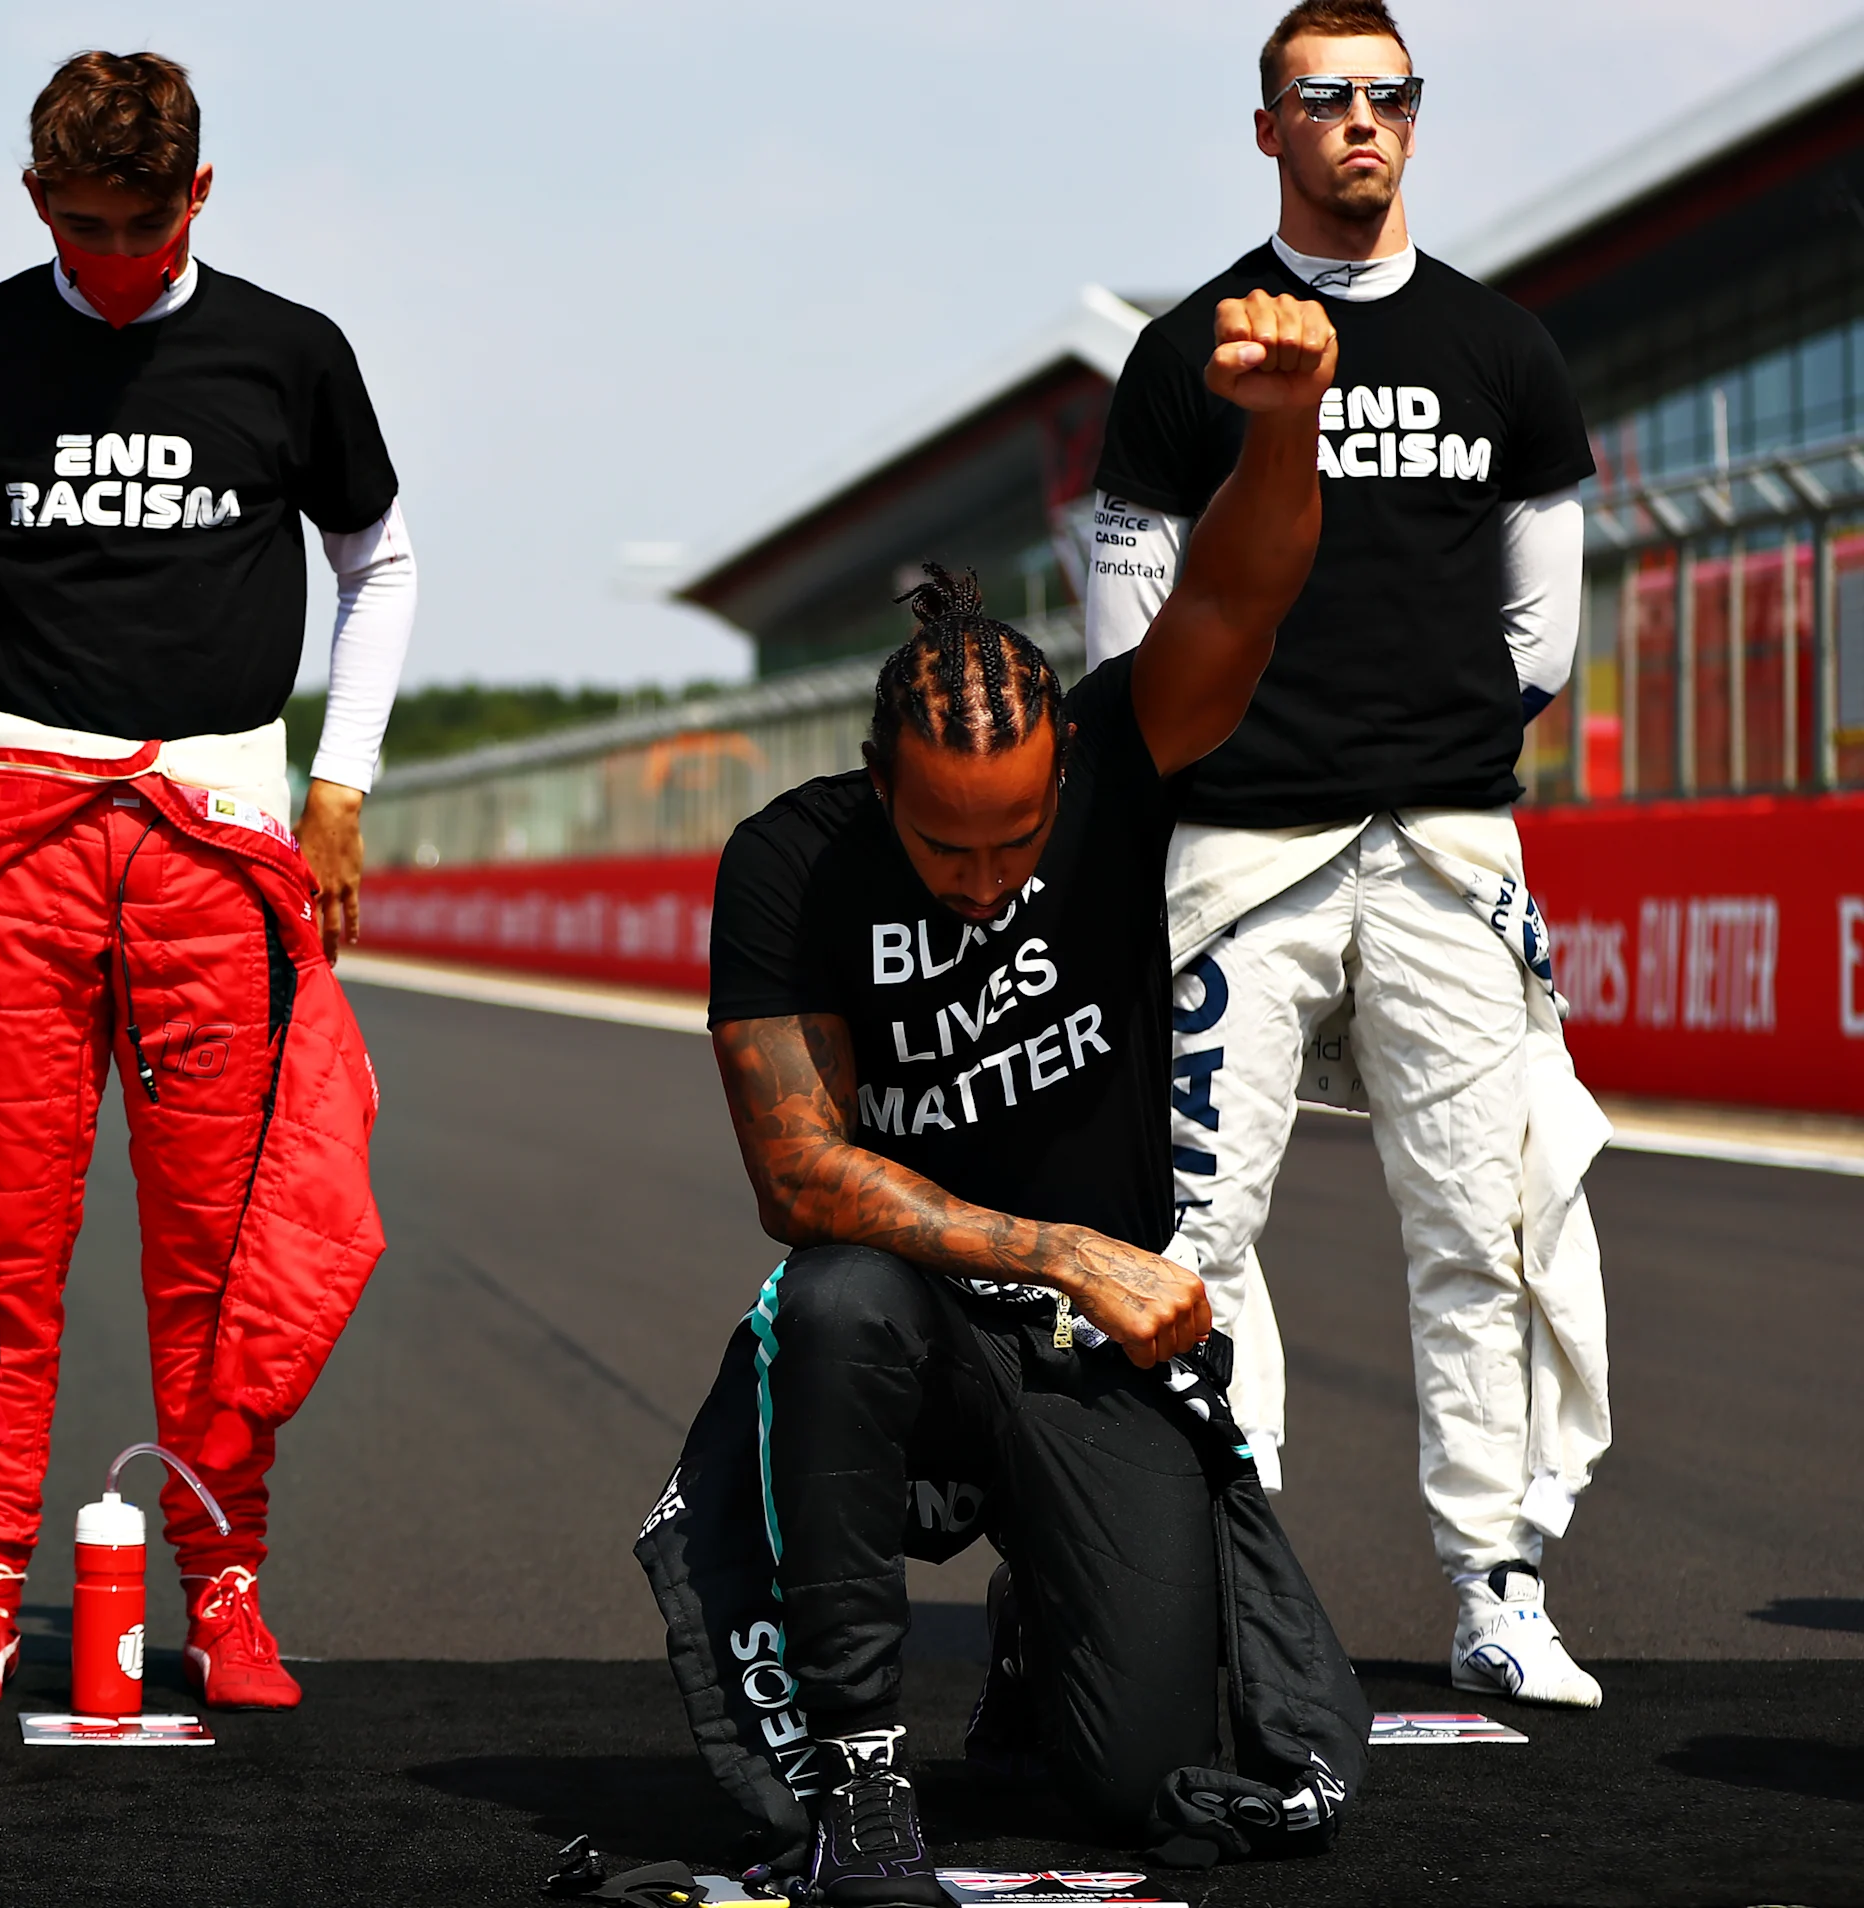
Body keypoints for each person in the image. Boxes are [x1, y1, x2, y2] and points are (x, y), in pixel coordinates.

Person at [637, 293, 1366, 1902]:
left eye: (1019, 841)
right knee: (826, 1298)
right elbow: (799, 1173)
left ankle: (1051, 1624)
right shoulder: (790, 862)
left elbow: (1243, 592)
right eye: (946, 844)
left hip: (1077, 1357)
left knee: (1131, 1782)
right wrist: (1056, 1245)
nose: (985, 883)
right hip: (913, 1325)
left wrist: (1286, 419)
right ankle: (860, 1774)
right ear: (877, 780)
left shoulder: (1114, 766)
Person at [0, 49, 416, 1711]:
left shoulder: (291, 353)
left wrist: (343, 785)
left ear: (198, 199)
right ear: (32, 201)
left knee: (232, 1250)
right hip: (17, 830)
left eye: (139, 225)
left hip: (225, 837)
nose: (108, 256)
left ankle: (223, 1588)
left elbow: (383, 563)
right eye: (76, 224)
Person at [1082, 0, 1611, 1708]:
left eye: (1390, 95)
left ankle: (1497, 1579)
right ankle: (1235, 1585)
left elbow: (1545, 633)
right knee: (1196, 1234)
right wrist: (1260, 755)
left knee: (1486, 1224)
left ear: (1414, 119)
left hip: (1450, 852)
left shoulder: (1508, 353)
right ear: (1269, 130)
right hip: (1239, 857)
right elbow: (1130, 633)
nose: (1362, 123)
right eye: (1326, 98)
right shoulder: (1187, 357)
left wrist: (1417, 743)